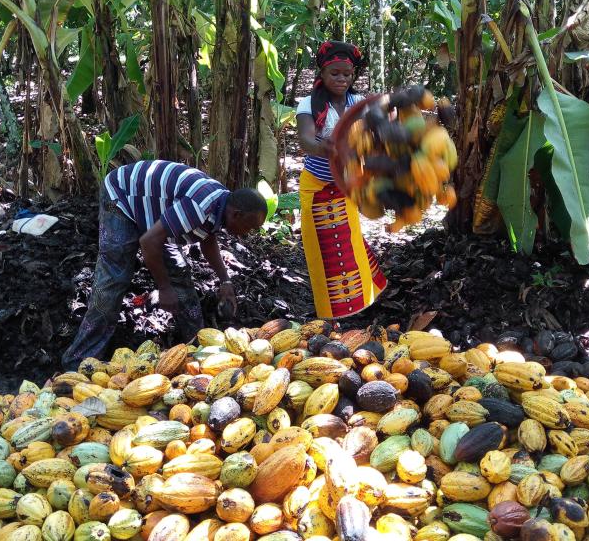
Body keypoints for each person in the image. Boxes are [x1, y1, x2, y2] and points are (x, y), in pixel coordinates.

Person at [62, 160, 267, 370]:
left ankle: (197, 349)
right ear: (236, 215)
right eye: (249, 227)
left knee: (179, 273)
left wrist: (225, 281)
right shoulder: (200, 205)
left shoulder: (222, 203)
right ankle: (77, 362)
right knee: (114, 277)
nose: (248, 233)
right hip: (122, 195)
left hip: (155, 215)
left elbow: (208, 239)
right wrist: (164, 288)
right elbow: (148, 242)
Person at [296, 40, 387, 319]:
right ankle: (330, 314)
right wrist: (332, 147)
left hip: (345, 185)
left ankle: (361, 306)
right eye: (335, 73)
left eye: (347, 75)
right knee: (322, 251)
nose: (342, 79)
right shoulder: (309, 103)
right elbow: (306, 141)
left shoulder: (356, 103)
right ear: (322, 74)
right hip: (317, 187)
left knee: (349, 243)